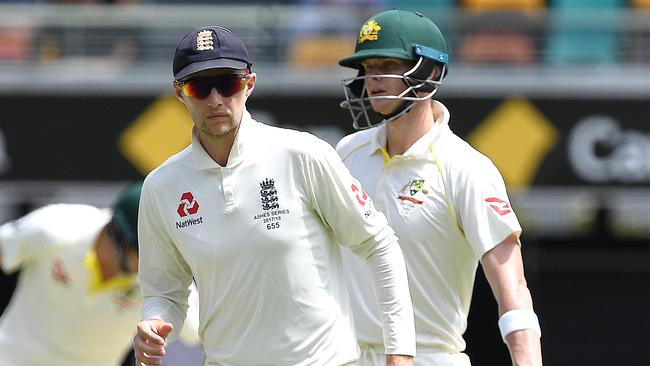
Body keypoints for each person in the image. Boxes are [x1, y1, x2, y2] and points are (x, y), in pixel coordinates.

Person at [133, 25, 416, 366]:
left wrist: (400, 353)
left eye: (228, 83)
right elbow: (164, 293)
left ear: (249, 84)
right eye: (199, 86)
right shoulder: (161, 186)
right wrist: (153, 322)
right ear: (179, 92)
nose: (216, 99)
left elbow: (378, 244)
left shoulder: (302, 153)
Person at [336, 9, 543, 366]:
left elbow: (513, 289)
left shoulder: (466, 168)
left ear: (429, 71)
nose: (373, 79)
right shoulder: (347, 154)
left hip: (428, 357)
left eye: (387, 64)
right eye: (368, 68)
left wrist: (527, 359)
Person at [0, 182, 198, 366]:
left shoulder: (167, 277)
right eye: (148, 254)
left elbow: (203, 331)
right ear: (119, 236)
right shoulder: (54, 229)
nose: (155, 264)